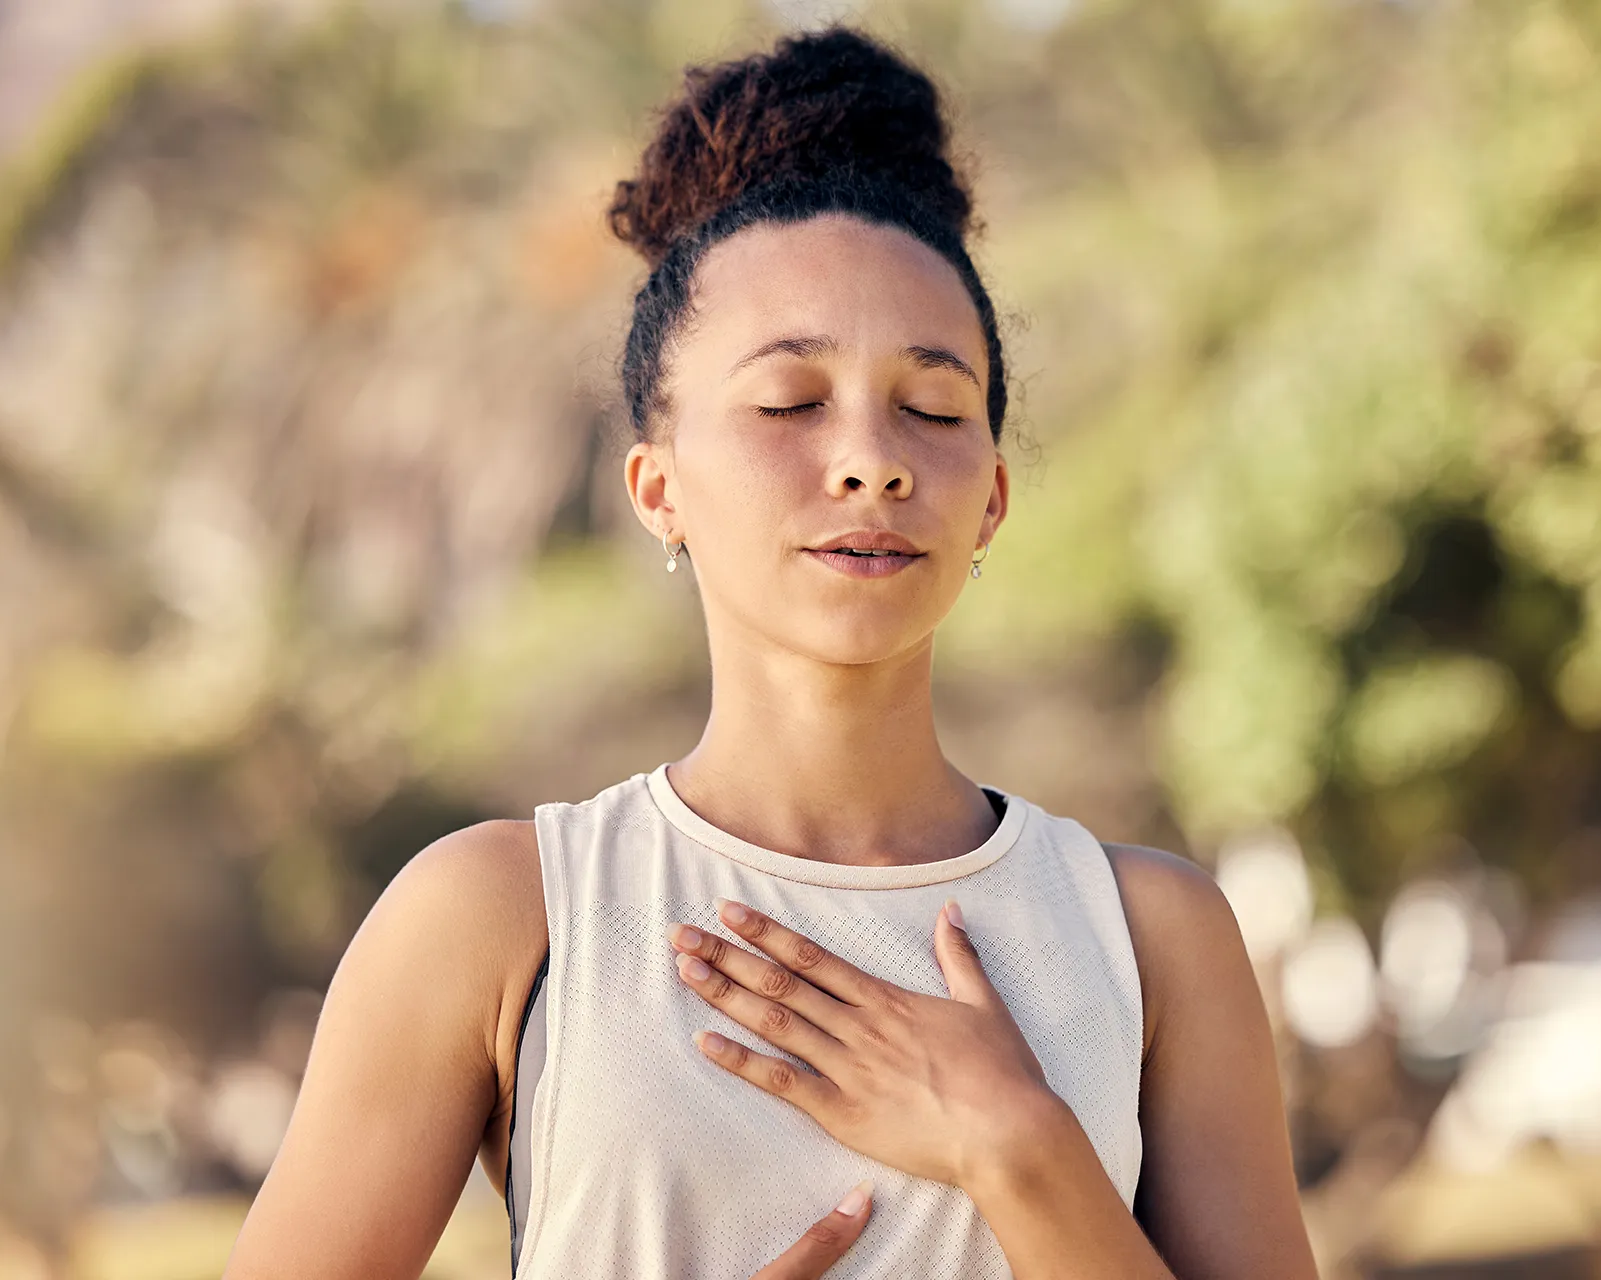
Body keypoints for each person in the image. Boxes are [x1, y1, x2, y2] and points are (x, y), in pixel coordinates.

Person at [223, 25, 1316, 1280]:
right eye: (791, 401)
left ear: (994, 500)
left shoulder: (1149, 933)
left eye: (936, 407)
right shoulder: (502, 916)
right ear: (657, 485)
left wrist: (1020, 1147)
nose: (872, 456)